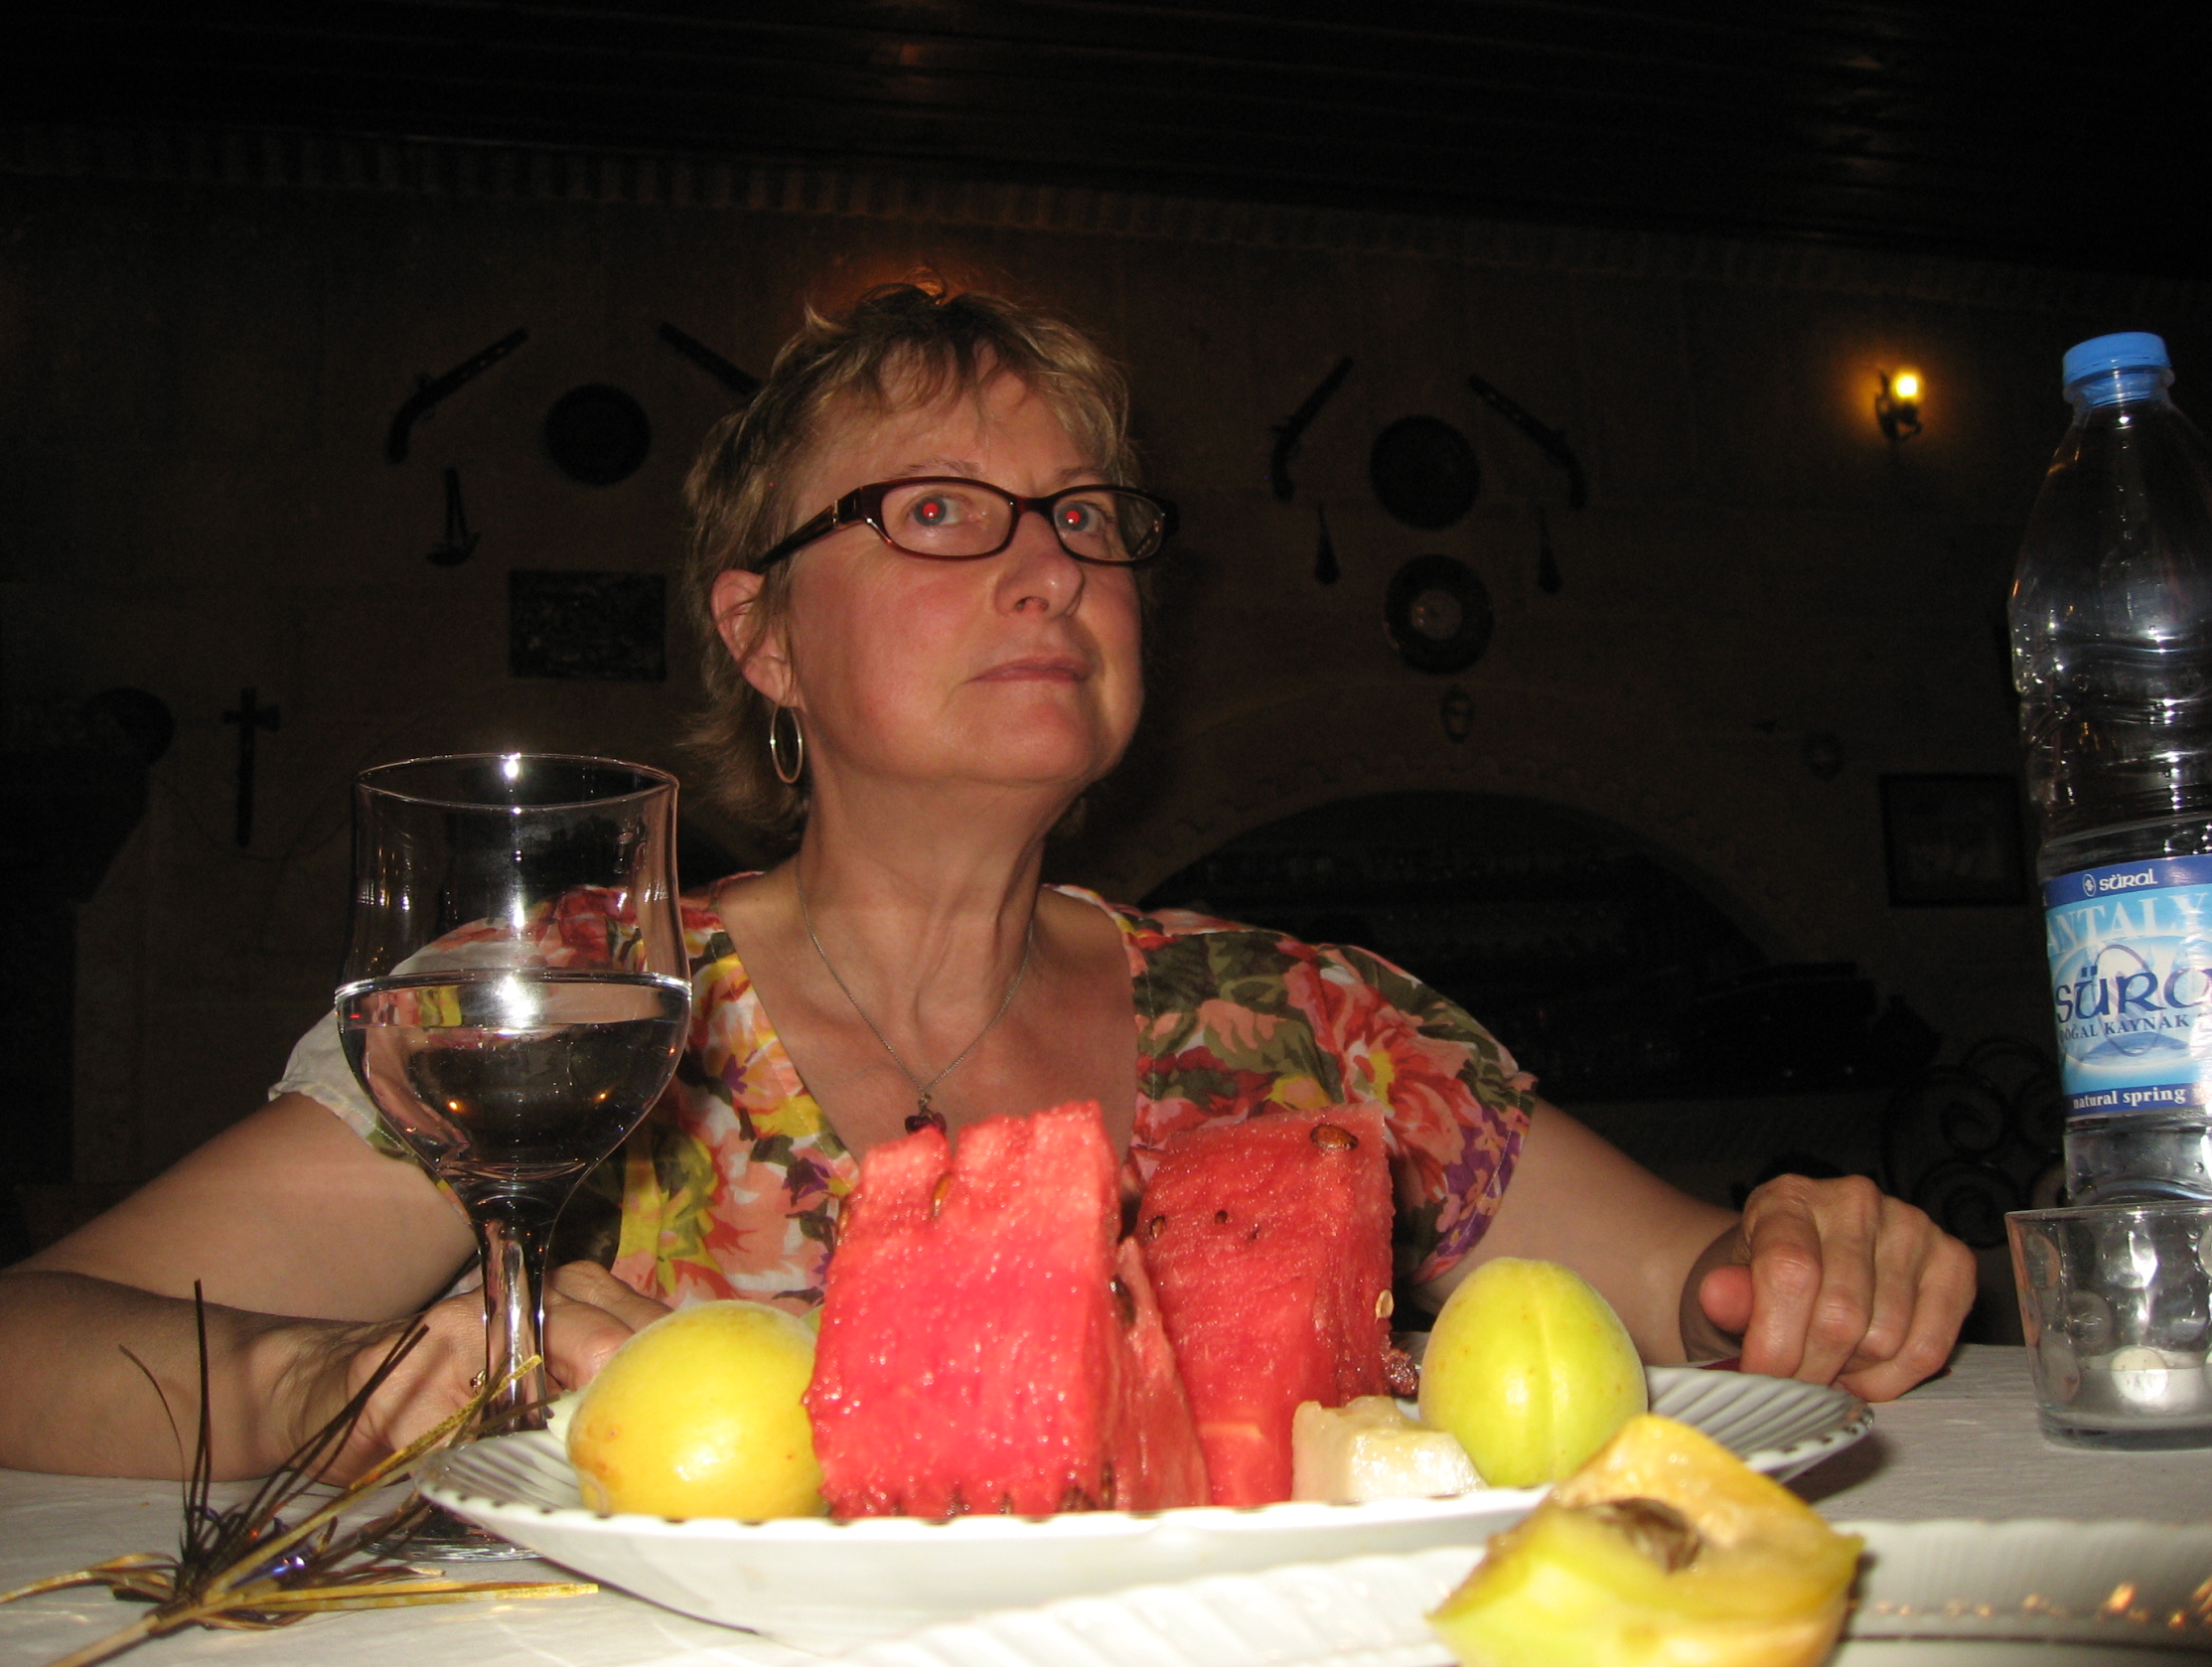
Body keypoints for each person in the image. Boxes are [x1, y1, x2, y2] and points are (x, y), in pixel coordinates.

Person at [0, 284, 1974, 1482]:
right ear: (760, 635)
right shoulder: (586, 1002)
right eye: (939, 510)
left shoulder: (1310, 1020)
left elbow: (1708, 1296)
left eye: (1088, 517)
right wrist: (329, 1387)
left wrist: (1810, 1257)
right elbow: (37, 1336)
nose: (1052, 569)